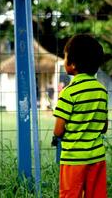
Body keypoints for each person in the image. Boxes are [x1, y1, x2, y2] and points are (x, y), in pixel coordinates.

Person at [53, 34, 108, 198]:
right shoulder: (101, 91)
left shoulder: (68, 93)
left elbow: (58, 131)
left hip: (73, 159)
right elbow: (103, 126)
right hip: (97, 158)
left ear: (73, 63)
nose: (64, 60)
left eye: (65, 56)